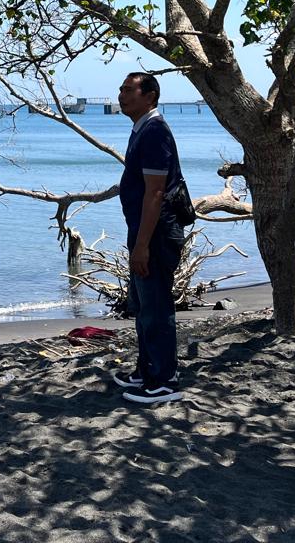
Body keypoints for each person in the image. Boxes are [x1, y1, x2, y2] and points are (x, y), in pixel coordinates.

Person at [110, 72, 187, 405]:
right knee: (142, 305)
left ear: (150, 96)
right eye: (121, 88)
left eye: (129, 90)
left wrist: (141, 245)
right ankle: (146, 369)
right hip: (143, 231)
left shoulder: (154, 132)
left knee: (156, 306)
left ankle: (163, 379)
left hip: (155, 233)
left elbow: (155, 193)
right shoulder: (141, 128)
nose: (121, 95)